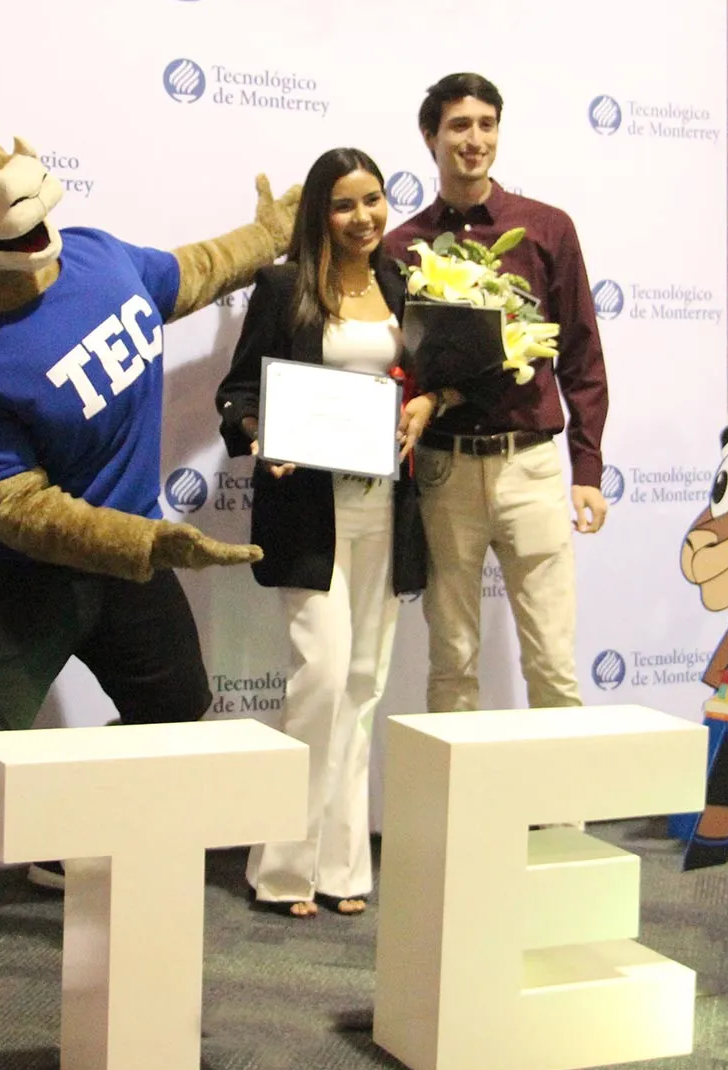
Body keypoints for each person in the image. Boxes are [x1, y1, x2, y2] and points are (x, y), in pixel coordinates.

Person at [216, 148, 437, 918]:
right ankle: (280, 867)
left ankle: (343, 869)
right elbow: (239, 391)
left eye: (373, 200)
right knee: (320, 677)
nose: (364, 217)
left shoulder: (403, 285)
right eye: (345, 204)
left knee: (364, 685)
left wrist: (426, 406)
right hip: (311, 512)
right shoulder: (283, 288)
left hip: (387, 506)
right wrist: (261, 439)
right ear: (319, 213)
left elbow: (425, 380)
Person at [383, 72, 610, 714]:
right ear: (430, 137)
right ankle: (460, 815)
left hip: (532, 466)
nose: (474, 140)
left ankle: (555, 814)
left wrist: (587, 468)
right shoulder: (404, 247)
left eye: (486, 125)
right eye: (458, 126)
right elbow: (402, 366)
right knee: (451, 662)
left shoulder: (545, 229)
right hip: (445, 470)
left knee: (552, 664)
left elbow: (582, 352)